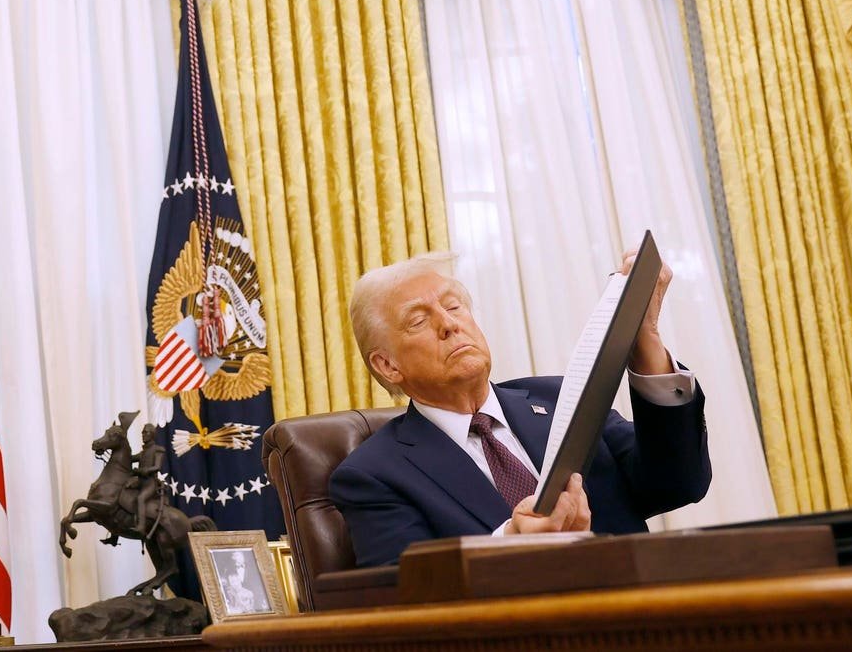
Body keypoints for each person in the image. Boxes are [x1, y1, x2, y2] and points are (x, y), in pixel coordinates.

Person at [330, 251, 711, 567]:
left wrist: (646, 340)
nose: (448, 324)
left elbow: (679, 483)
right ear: (387, 365)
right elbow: (405, 594)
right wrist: (508, 542)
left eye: (454, 306)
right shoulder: (372, 474)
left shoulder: (562, 398)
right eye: (417, 320)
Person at [215, 548, 269, 615]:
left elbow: (260, 583)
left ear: (243, 556)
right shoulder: (229, 569)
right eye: (233, 556)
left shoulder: (254, 567)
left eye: (237, 555)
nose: (235, 558)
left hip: (254, 600)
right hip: (237, 602)